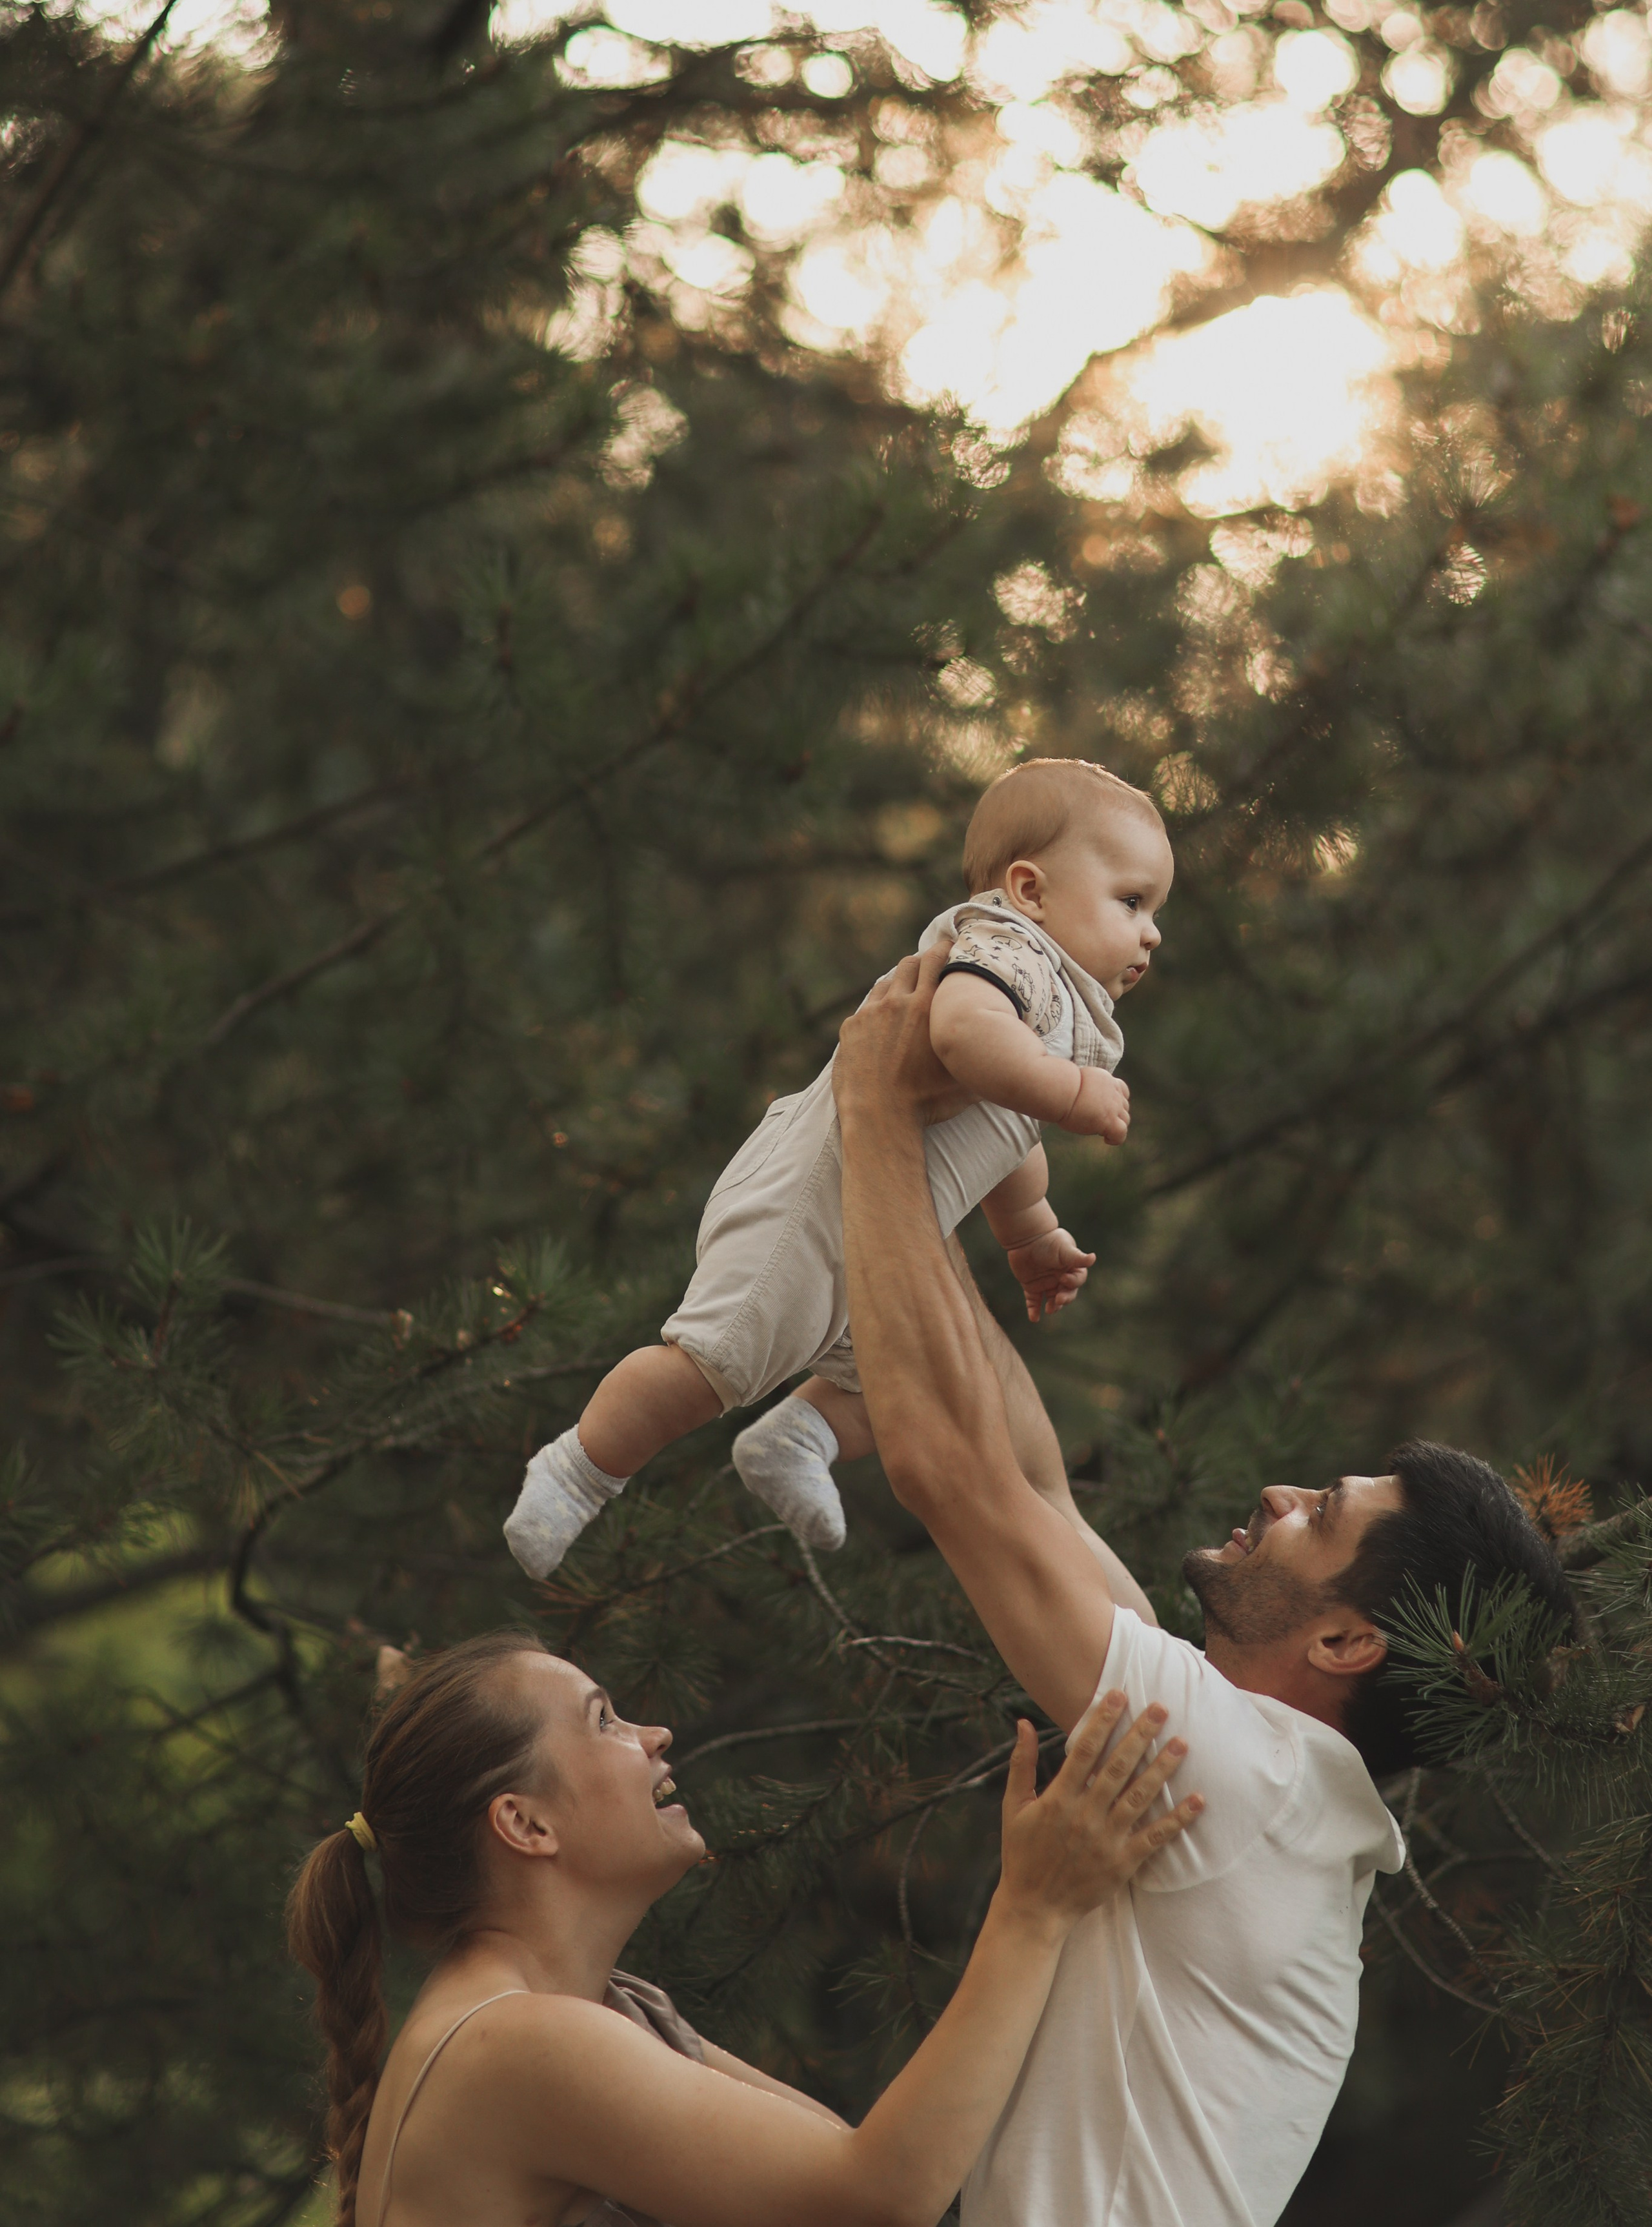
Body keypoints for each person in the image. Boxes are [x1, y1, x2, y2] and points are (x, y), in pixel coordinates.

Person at [832, 946, 1583, 2227]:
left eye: (1323, 1514)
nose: (1281, 1493)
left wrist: (868, 1113)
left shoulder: (1226, 1771)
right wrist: (944, 1182)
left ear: (1346, 1640)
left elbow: (947, 1473)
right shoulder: (1262, 1779)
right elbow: (1027, 1477)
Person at [286, 1629, 1202, 2227]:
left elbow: (852, 2175)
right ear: (526, 1824)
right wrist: (1033, 1907)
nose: (655, 1733)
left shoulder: (584, 2012)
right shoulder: (516, 2041)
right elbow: (879, 2197)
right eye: (604, 1720)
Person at [505, 759, 1174, 1575]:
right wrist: (1071, 1089)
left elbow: (1007, 1133)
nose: (1151, 933)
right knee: (713, 1365)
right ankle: (580, 1469)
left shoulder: (1058, 1002)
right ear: (1029, 890)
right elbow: (966, 1036)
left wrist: (1032, 1235)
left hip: (884, 1229)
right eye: (1132, 901)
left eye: (1155, 912)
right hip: (813, 1203)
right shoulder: (1011, 949)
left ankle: (796, 1438)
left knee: (903, 1381)